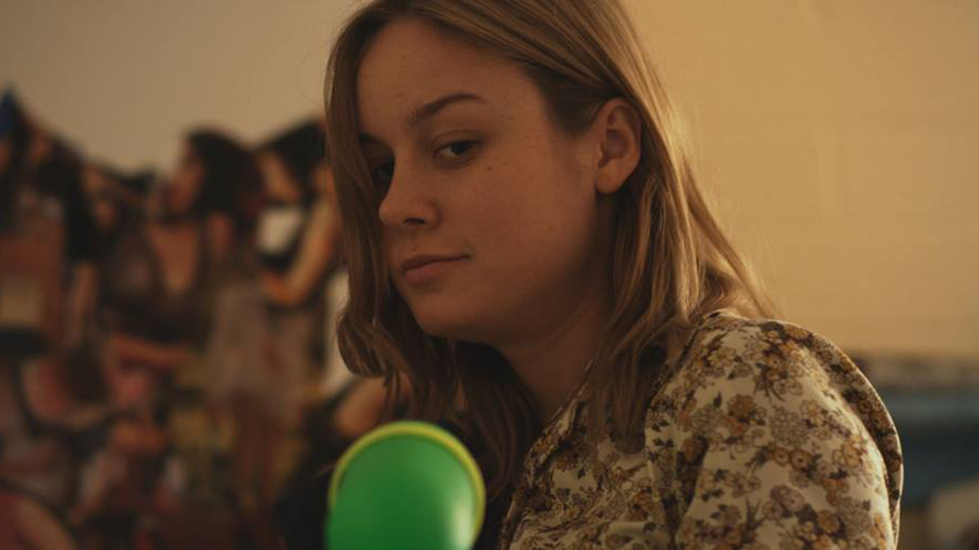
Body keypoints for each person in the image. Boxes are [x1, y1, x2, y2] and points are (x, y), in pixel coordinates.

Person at [278, 1, 904, 548]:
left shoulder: (749, 392)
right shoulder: (473, 464)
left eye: (456, 146)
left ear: (610, 146)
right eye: (380, 169)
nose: (395, 206)